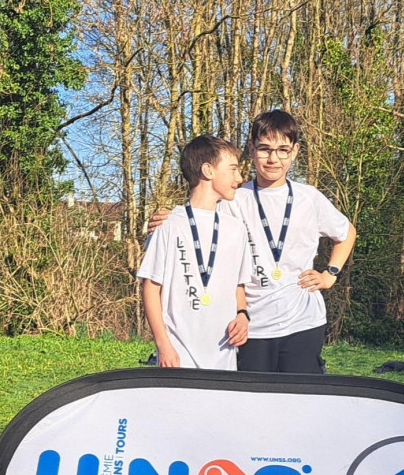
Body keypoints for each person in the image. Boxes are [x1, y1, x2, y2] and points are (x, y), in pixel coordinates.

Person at [146, 109, 356, 373]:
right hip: (251, 328)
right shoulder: (234, 198)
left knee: (300, 397)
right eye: (265, 149)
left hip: (303, 323)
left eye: (283, 150)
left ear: (295, 151)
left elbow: (347, 232)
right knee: (253, 398)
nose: (273, 159)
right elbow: (200, 214)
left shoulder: (309, 198)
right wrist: (169, 217)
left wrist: (330, 274)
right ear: (251, 149)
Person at [138, 135, 251, 369]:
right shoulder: (168, 225)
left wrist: (243, 315)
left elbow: (238, 285)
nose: (239, 178)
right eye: (233, 170)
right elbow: (151, 288)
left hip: (223, 356)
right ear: (208, 170)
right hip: (178, 356)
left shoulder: (237, 229)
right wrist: (163, 346)